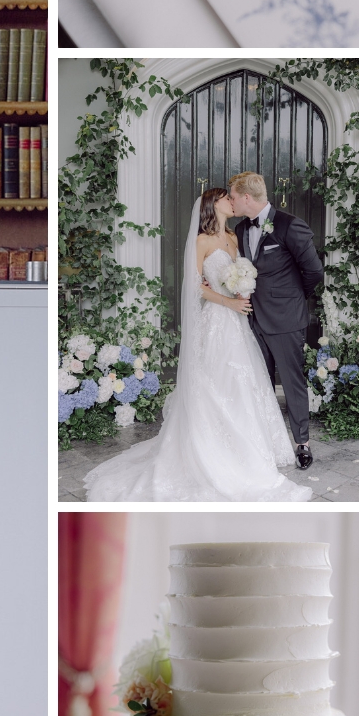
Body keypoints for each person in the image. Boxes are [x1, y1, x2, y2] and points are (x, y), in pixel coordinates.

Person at [83, 187, 313, 502]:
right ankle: (215, 451)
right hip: (217, 321)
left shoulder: (236, 236)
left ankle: (251, 448)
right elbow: (194, 285)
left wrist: (243, 294)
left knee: (244, 383)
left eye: (234, 197)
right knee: (215, 384)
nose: (233, 201)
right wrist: (227, 301)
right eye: (226, 198)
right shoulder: (201, 241)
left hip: (240, 323)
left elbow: (250, 274)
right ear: (212, 204)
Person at [226, 171, 324, 470]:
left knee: (292, 382)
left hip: (286, 319)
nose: (230, 201)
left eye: (232, 196)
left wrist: (293, 298)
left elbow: (314, 272)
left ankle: (302, 443)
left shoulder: (290, 225)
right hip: (252, 319)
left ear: (246, 197)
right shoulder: (241, 229)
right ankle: (266, 440)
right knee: (260, 381)